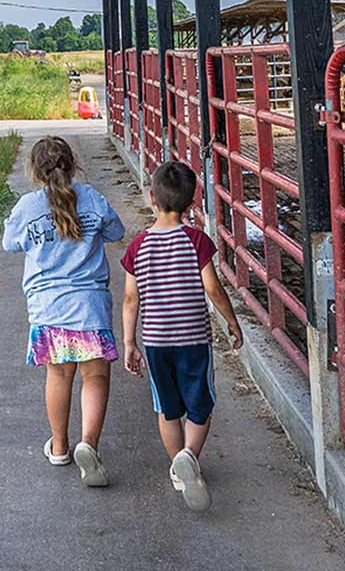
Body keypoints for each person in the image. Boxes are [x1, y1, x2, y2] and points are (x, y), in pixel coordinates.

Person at [121, 159, 243, 512]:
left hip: (156, 342)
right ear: (192, 204)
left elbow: (131, 299)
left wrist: (130, 342)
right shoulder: (197, 241)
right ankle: (190, 456)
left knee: (167, 408)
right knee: (200, 404)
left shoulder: (138, 247)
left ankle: (178, 466)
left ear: (151, 198)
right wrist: (232, 321)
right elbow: (214, 289)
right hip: (194, 340)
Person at [2, 136, 125, 486]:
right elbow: (117, 231)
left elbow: (11, 244)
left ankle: (59, 446)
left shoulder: (27, 206)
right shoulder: (91, 198)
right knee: (95, 378)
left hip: (48, 310)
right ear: (72, 165)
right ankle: (90, 444)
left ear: (35, 172)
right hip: (89, 308)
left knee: (58, 377)